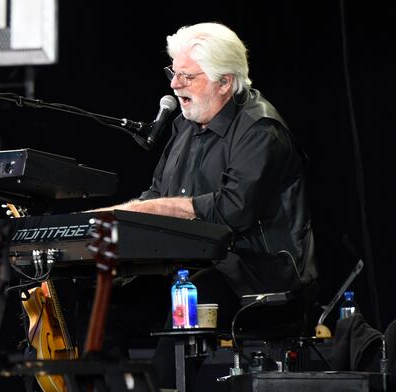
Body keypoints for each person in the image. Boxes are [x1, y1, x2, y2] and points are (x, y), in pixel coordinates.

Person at [90, 22, 318, 387]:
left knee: (192, 299)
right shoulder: (186, 124)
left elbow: (233, 210)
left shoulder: (260, 130)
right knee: (102, 303)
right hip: (192, 267)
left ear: (224, 82)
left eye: (186, 76)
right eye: (173, 73)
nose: (174, 84)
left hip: (258, 278)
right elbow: (156, 195)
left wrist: (147, 210)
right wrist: (107, 218)